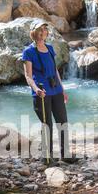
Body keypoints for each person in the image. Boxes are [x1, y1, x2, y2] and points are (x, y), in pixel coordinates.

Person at [22, 19, 77, 164]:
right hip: (42, 93)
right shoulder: (28, 52)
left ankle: (65, 155)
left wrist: (63, 89)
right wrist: (36, 89)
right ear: (33, 33)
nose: (42, 33)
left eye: (44, 30)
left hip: (56, 90)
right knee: (47, 125)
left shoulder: (50, 48)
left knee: (62, 122)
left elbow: (55, 70)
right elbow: (28, 75)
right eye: (39, 30)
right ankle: (47, 157)